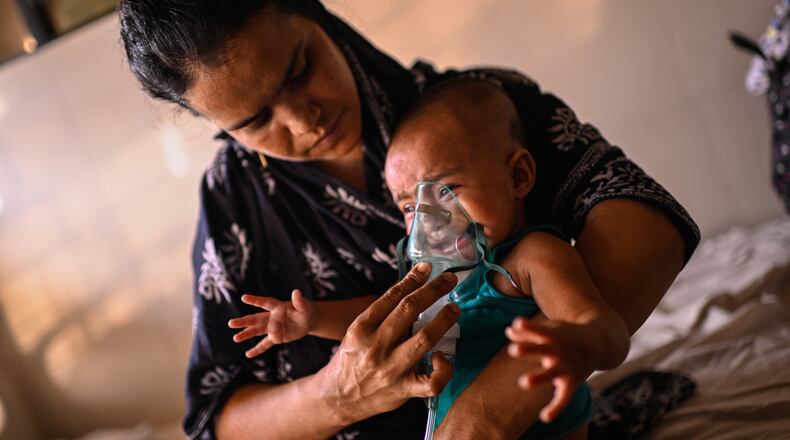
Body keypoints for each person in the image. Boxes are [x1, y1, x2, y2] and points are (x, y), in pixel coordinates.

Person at [117, 1, 699, 438]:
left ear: (315, 14)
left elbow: (645, 223)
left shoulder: (475, 111)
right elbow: (217, 419)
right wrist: (338, 395)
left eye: (298, 70)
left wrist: (487, 409)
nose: (303, 118)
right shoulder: (234, 204)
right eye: (254, 120)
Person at [229, 78, 631, 439]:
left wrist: (580, 345)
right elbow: (384, 318)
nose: (431, 221)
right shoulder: (438, 279)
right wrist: (313, 319)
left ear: (519, 176)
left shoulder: (533, 258)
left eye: (447, 188)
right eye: (409, 207)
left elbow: (606, 327)